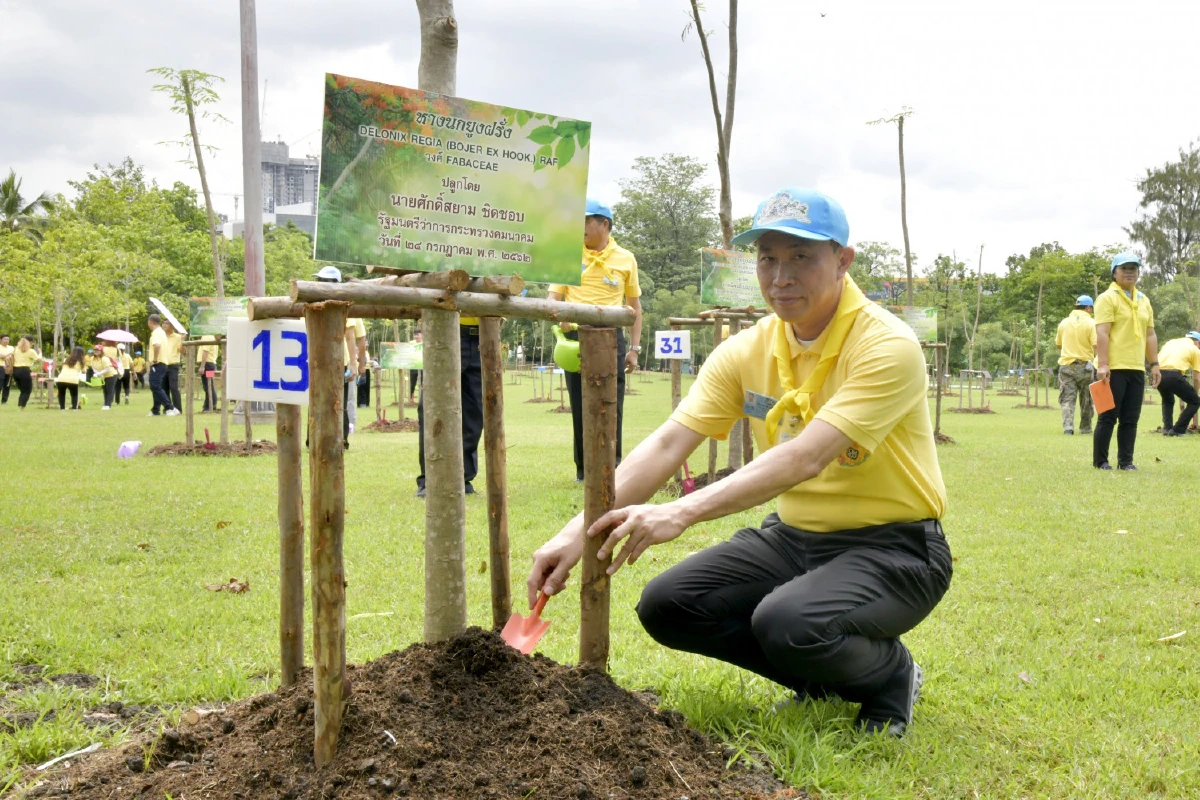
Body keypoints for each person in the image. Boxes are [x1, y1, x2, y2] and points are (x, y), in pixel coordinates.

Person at [527, 188, 951, 737]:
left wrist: (680, 512)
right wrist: (576, 532)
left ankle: (891, 677)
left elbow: (805, 457)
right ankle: (818, 678)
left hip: (896, 546)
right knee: (670, 604)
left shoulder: (886, 345)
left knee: (789, 621)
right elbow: (665, 446)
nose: (781, 276)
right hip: (795, 536)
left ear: (843, 260)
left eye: (802, 256)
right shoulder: (745, 350)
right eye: (767, 258)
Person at [547, 198, 644, 481]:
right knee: (580, 402)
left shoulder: (626, 258)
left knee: (613, 404)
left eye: (586, 221)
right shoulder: (568, 255)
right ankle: (583, 469)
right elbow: (553, 297)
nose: (580, 228)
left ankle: (612, 467)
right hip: (577, 336)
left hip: (612, 336)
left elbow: (635, 306)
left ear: (605, 224)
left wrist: (635, 349)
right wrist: (560, 316)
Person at [1094, 253, 1159, 470]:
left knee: (1131, 418)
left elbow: (1150, 334)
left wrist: (1155, 364)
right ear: (1114, 273)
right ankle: (1101, 461)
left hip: (1136, 367)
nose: (1130, 272)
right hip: (1113, 367)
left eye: (1134, 268)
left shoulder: (1144, 300)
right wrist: (1103, 364)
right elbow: (1102, 333)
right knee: (1108, 416)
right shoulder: (1107, 298)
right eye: (1124, 268)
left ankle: (1126, 462)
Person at [415, 314, 483, 498]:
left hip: (484, 334)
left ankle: (463, 478)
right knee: (432, 408)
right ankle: (429, 479)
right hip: (446, 329)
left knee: (476, 411)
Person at [1055, 295, 1097, 435]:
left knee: (1067, 398)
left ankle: (1068, 428)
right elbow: (1096, 345)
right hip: (1086, 367)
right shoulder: (1091, 323)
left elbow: (1058, 345)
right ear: (1088, 308)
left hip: (1066, 366)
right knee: (1086, 399)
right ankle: (1085, 427)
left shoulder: (1064, 323)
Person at [1155, 331, 1200, 436]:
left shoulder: (1171, 342)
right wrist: (1195, 392)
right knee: (1195, 401)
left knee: (1168, 400)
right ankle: (1178, 430)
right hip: (1174, 375)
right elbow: (1197, 378)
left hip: (1158, 374)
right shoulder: (1195, 350)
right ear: (1197, 342)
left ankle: (1167, 428)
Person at [147, 314, 178, 417]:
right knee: (156, 386)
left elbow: (157, 345)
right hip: (164, 362)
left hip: (158, 362)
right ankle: (155, 409)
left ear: (150, 322)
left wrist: (155, 359)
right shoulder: (161, 332)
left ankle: (170, 407)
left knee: (155, 386)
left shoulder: (156, 333)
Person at [10, 335, 42, 410]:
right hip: (24, 370)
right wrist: (40, 352)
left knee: (22, 390)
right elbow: (39, 359)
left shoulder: (16, 349)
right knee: (27, 390)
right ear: (30, 343)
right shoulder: (31, 351)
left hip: (15, 370)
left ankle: (19, 406)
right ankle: (22, 407)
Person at [162, 320, 184, 412]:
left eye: (167, 324)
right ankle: (167, 407)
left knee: (173, 387)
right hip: (162, 364)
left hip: (173, 365)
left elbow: (182, 351)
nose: (164, 325)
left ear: (172, 326)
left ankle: (177, 408)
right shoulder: (161, 336)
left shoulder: (178, 337)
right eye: (163, 323)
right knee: (164, 388)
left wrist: (183, 340)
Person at [92, 343, 119, 410]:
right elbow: (93, 367)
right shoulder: (92, 358)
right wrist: (98, 374)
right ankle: (105, 404)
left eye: (98, 350)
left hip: (111, 374)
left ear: (101, 351)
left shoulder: (104, 358)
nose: (96, 351)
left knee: (109, 390)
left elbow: (107, 369)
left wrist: (98, 374)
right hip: (103, 375)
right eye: (95, 350)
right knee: (105, 390)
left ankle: (108, 405)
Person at [197, 335, 219, 412]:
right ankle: (209, 404)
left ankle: (210, 404)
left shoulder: (207, 337)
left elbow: (205, 352)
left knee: (208, 385)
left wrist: (202, 366)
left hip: (207, 365)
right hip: (210, 364)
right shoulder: (211, 337)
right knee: (209, 385)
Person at [408, 329, 422, 403]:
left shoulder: (424, 343)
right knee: (412, 383)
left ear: (422, 335)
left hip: (422, 366)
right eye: (415, 335)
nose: (416, 336)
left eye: (418, 334)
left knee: (423, 383)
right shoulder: (411, 343)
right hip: (413, 365)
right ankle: (411, 398)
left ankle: (422, 398)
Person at [0, 334, 13, 404]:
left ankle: (4, 401)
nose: (6, 340)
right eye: (5, 339)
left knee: (7, 385)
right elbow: (1, 356)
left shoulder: (11, 348)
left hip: (9, 368)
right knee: (0, 383)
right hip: (0, 367)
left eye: (8, 339)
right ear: (1, 340)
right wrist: (8, 356)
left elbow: (13, 356)